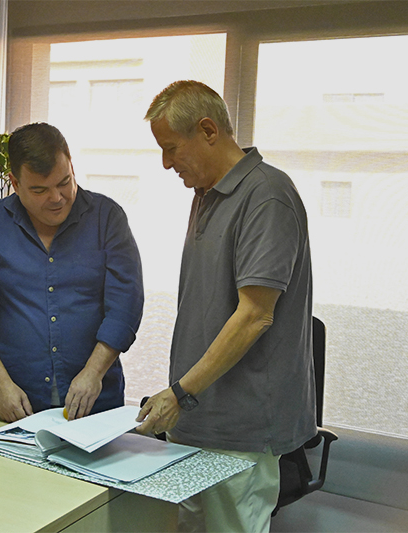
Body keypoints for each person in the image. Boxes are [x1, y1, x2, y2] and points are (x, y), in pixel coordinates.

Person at [135, 81, 316, 532]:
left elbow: (256, 315)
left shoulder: (266, 195)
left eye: (172, 148)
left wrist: (179, 393)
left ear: (209, 130)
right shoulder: (206, 194)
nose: (166, 162)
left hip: (240, 426)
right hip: (200, 416)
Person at [0, 122, 144, 422]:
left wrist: (93, 373)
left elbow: (125, 307)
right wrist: (1, 385)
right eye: (40, 190)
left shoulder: (107, 218)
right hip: (10, 404)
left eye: (64, 182)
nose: (56, 197)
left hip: (96, 406)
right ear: (15, 183)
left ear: (71, 168)